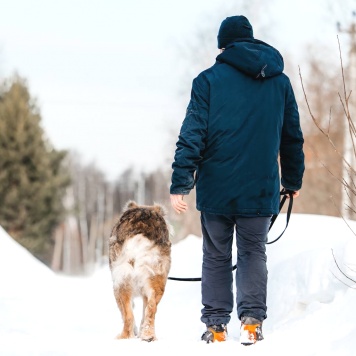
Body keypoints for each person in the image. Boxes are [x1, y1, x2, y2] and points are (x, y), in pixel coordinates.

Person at [169, 15, 305, 345]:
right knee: (252, 253)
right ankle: (252, 322)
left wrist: (181, 182)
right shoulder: (280, 82)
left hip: (216, 187)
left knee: (216, 255)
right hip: (260, 187)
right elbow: (291, 138)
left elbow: (192, 135)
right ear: (252, 41)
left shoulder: (207, 81)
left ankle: (216, 327)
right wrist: (292, 180)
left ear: (223, 45)